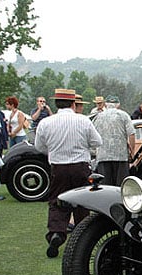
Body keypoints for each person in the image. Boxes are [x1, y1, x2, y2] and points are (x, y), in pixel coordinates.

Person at [34, 88, 102, 258]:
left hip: (58, 167)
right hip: (80, 166)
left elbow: (39, 147)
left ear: (56, 104)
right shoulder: (83, 121)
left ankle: (57, 232)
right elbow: (97, 141)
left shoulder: (46, 122)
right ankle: (82, 238)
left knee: (57, 202)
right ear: (73, 104)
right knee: (82, 203)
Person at [93, 95, 136, 185]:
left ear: (105, 104)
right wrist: (132, 152)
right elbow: (131, 134)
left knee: (105, 186)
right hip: (120, 156)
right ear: (118, 105)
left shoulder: (98, 117)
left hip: (103, 156)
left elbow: (93, 135)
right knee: (120, 185)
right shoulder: (124, 115)